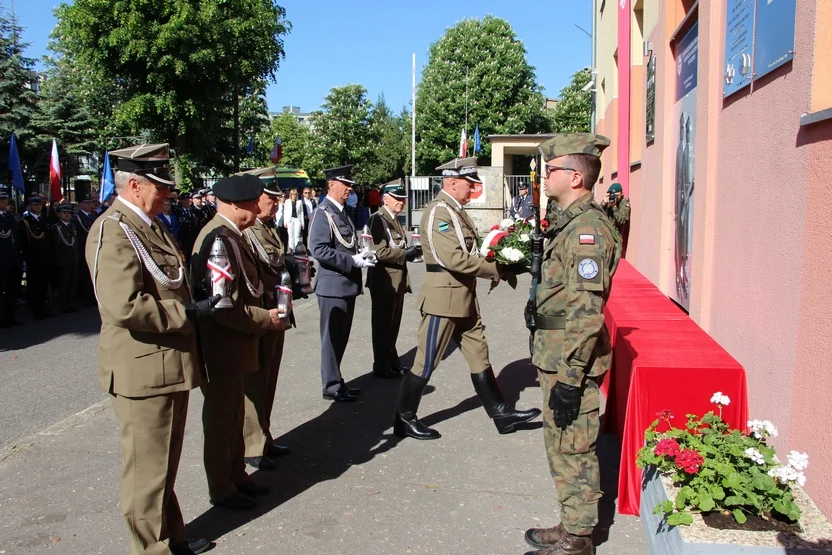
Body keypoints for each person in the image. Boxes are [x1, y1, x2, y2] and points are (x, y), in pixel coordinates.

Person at [86, 143, 215, 555]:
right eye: (161, 187)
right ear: (136, 185)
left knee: (163, 466)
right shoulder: (114, 229)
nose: (169, 194)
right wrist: (186, 314)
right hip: (143, 371)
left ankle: (171, 539)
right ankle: (150, 550)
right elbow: (123, 305)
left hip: (166, 365)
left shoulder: (149, 223)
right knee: (146, 472)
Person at [393, 157, 541, 440]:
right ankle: (404, 417)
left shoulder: (455, 210)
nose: (473, 189)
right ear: (452, 182)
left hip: (464, 300)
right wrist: (495, 269)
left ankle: (501, 414)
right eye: (469, 184)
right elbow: (453, 258)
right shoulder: (439, 212)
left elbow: (469, 252)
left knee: (479, 355)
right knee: (426, 361)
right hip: (443, 301)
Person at [522, 134, 621, 555]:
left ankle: (579, 541)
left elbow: (586, 310)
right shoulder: (569, 223)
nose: (545, 176)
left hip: (569, 361)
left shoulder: (587, 231)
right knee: (561, 444)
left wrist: (570, 376)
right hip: (555, 352)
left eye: (552, 169)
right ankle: (571, 524)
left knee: (574, 445)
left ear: (576, 177)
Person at [191, 174, 285, 511]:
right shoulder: (219, 238)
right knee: (221, 421)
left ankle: (235, 477)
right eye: (252, 202)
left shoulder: (233, 235)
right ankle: (221, 487)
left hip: (234, 344)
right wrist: (265, 319)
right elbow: (223, 305)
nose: (258, 208)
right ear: (235, 205)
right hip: (222, 346)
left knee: (232, 418)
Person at [239, 177, 303, 470]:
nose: (276, 204)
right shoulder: (247, 230)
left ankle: (264, 435)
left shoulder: (267, 228)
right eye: (271, 199)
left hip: (277, 311)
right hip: (261, 314)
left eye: (278, 200)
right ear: (256, 197)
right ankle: (252, 444)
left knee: (269, 379)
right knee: (255, 380)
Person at [308, 164, 376, 402]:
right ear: (331, 185)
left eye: (350, 184)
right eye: (345, 184)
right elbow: (318, 249)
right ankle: (331, 385)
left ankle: (337, 381)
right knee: (331, 339)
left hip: (345, 285)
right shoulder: (323, 212)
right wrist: (352, 262)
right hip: (332, 286)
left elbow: (347, 243)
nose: (349, 188)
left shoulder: (341, 210)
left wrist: (363, 256)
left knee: (340, 338)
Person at [366, 183, 421, 379]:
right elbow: (379, 252)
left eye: (403, 199)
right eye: (397, 199)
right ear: (385, 198)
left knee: (393, 326)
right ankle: (381, 365)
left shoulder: (394, 219)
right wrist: (406, 254)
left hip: (397, 280)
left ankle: (392, 361)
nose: (401, 202)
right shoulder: (378, 220)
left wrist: (411, 254)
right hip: (384, 281)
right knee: (382, 326)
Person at [19, 196, 51, 319]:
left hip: (45, 257)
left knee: (43, 283)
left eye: (39, 204)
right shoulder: (26, 222)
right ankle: (36, 310)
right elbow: (25, 243)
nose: (38, 206)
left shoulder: (44, 219)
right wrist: (28, 259)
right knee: (35, 284)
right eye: (35, 205)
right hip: (34, 258)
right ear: (29, 206)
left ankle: (43, 307)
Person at [0, 185, 22, 327]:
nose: (4, 202)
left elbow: (15, 238)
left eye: (5, 199)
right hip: (1, 261)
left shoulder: (9, 217)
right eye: (2, 199)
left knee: (11, 291)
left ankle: (10, 317)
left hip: (13, 260)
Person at [50, 204, 79, 313]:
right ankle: (64, 304)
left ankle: (72, 303)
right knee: (64, 283)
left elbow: (75, 244)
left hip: (74, 259)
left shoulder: (72, 226)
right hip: (63, 261)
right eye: (64, 213)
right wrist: (58, 261)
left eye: (69, 213)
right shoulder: (56, 227)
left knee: (73, 282)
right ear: (59, 214)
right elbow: (55, 245)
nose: (67, 215)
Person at [602, 182, 631, 258]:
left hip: (617, 240)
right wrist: (603, 203)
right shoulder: (608, 202)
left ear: (622, 193)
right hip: (606, 238)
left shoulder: (624, 204)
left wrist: (614, 207)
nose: (614, 197)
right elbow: (596, 215)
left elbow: (621, 220)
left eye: (616, 195)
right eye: (612, 195)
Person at [279, 188, 305, 252]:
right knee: (290, 236)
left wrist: (302, 223)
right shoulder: (287, 201)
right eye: (293, 194)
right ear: (291, 195)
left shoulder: (299, 202)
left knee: (297, 236)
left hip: (297, 220)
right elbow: (285, 212)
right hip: (290, 220)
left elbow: (301, 212)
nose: (294, 196)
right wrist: (285, 222)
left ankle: (297, 250)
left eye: (295, 194)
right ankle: (291, 250)